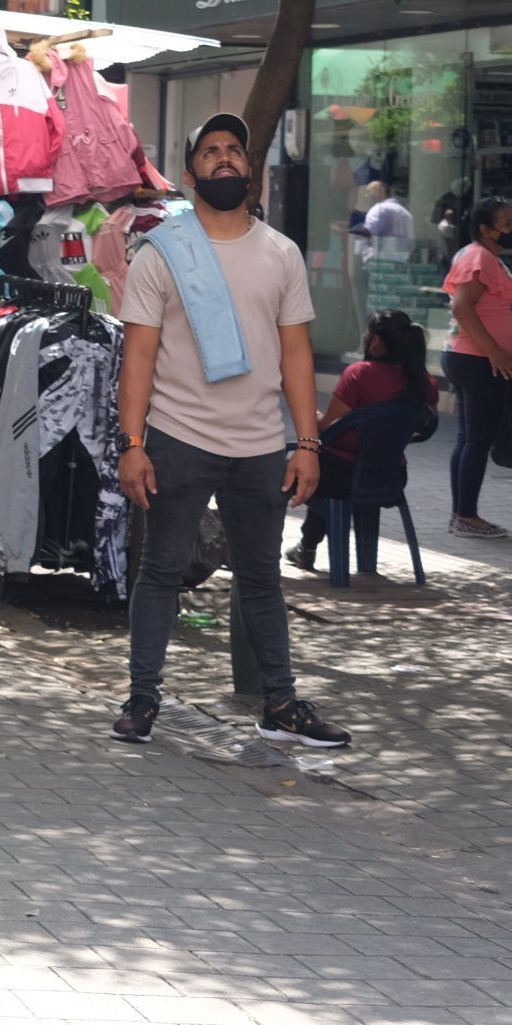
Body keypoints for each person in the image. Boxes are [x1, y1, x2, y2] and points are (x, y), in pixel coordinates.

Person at [113, 113, 349, 750]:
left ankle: (279, 703)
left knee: (262, 579)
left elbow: (296, 354)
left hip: (260, 445)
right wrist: (131, 445)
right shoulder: (161, 250)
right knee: (160, 573)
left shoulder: (281, 253)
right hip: (178, 438)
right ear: (190, 175)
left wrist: (306, 443)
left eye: (234, 151)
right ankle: (142, 700)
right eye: (210, 150)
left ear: (251, 170)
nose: (224, 158)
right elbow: (137, 355)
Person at [284, 310, 439, 570]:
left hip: (341, 474)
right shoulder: (426, 383)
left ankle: (274, 552)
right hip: (391, 476)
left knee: (301, 467)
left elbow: (323, 428)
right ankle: (307, 548)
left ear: (377, 341)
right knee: (325, 466)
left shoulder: (360, 374)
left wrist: (307, 411)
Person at [442, 197, 512, 539]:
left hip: (473, 357)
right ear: (486, 230)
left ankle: (462, 513)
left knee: (468, 439)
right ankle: (466, 516)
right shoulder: (478, 256)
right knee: (477, 440)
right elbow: (463, 308)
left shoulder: (485, 257)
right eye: (506, 224)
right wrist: (495, 352)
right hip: (476, 359)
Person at [363, 180, 414, 260]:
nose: (367, 196)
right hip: (402, 262)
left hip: (379, 262)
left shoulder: (378, 210)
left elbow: (368, 234)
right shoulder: (405, 213)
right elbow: (411, 243)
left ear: (381, 191)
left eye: (370, 192)